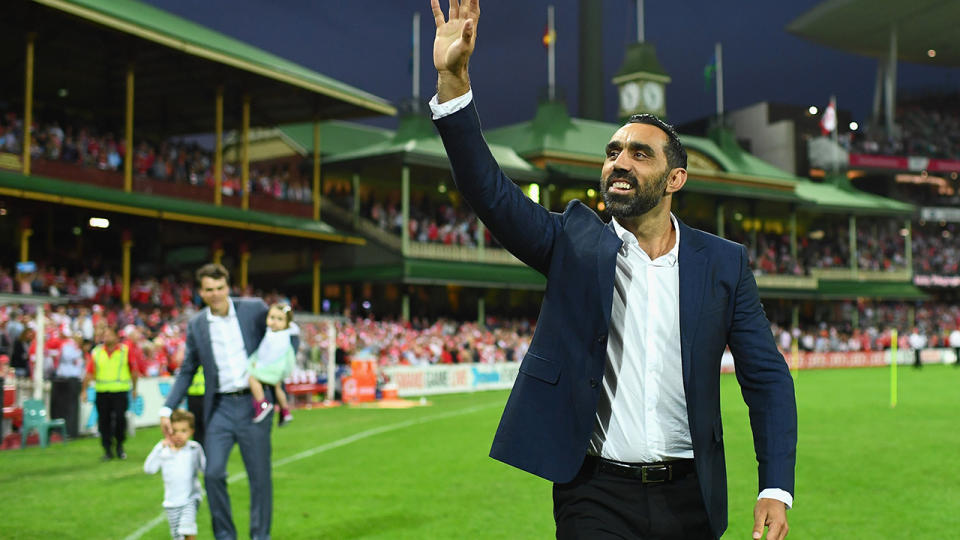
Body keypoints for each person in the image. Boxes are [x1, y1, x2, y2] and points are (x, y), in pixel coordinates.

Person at [427, 2, 797, 539]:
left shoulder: (723, 263)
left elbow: (765, 377)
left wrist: (775, 486)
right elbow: (489, 192)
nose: (619, 162)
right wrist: (454, 81)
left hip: (691, 497)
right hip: (593, 495)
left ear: (675, 180)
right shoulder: (572, 242)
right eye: (612, 152)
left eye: (639, 154)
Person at [158, 263, 297, 540]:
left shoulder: (254, 309)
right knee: (213, 474)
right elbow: (188, 369)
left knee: (259, 478)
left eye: (220, 288)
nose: (216, 294)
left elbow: (288, 331)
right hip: (219, 408)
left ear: (228, 287)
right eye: (209, 289)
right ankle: (225, 536)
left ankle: (260, 536)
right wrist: (167, 407)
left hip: (253, 406)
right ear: (201, 292)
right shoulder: (197, 324)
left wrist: (276, 369)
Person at [144, 409, 206, 540]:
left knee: (188, 528)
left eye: (183, 431)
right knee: (178, 536)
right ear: (168, 430)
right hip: (172, 502)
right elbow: (149, 469)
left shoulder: (194, 449)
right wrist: (160, 447)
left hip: (191, 498)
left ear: (191, 432)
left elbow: (205, 469)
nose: (179, 435)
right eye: (175, 431)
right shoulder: (164, 451)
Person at [82, 325, 138, 460]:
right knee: (103, 421)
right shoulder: (97, 352)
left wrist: (135, 388)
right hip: (102, 392)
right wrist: (84, 390)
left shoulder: (125, 351)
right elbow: (89, 372)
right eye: (104, 335)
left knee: (120, 419)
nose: (106, 337)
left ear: (116, 337)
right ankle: (107, 449)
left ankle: (119, 445)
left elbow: (134, 371)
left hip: (120, 391)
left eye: (109, 335)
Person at [248, 303, 297, 425]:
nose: (274, 322)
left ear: (287, 323)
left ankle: (262, 404)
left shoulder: (276, 337)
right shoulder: (281, 334)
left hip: (272, 365)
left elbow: (268, 354)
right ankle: (285, 411)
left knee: (252, 379)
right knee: (277, 387)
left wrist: (258, 365)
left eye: (280, 319)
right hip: (279, 367)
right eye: (272, 317)